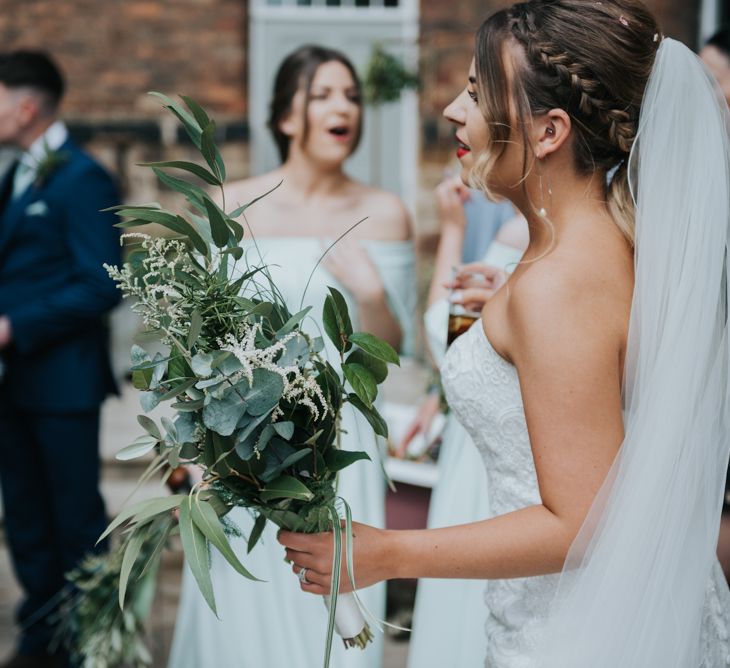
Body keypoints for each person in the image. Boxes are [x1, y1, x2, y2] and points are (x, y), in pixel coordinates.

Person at [279, 2, 730, 666]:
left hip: (576, 633)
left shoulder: (561, 282)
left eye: (476, 93)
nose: (454, 114)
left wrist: (386, 552)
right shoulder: (590, 253)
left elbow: (580, 521)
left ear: (549, 131)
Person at [168, 45, 415, 668]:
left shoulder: (383, 214)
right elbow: (198, 343)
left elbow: (395, 345)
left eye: (352, 96)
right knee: (242, 617)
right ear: (285, 117)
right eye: (324, 94)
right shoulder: (232, 208)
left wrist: (371, 293)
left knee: (328, 621)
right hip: (243, 444)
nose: (344, 109)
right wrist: (192, 451)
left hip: (338, 441)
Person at [0, 51, 121, 668]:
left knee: (74, 521)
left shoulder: (83, 178)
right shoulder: (14, 175)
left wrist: (11, 326)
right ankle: (41, 633)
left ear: (25, 106)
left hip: (63, 385)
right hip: (12, 386)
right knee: (23, 519)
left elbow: (104, 283)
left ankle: (90, 642)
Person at [402, 174, 526, 668]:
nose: (457, 113)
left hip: (492, 461)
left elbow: (445, 339)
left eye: (474, 96)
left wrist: (452, 229)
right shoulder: (521, 227)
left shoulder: (524, 231)